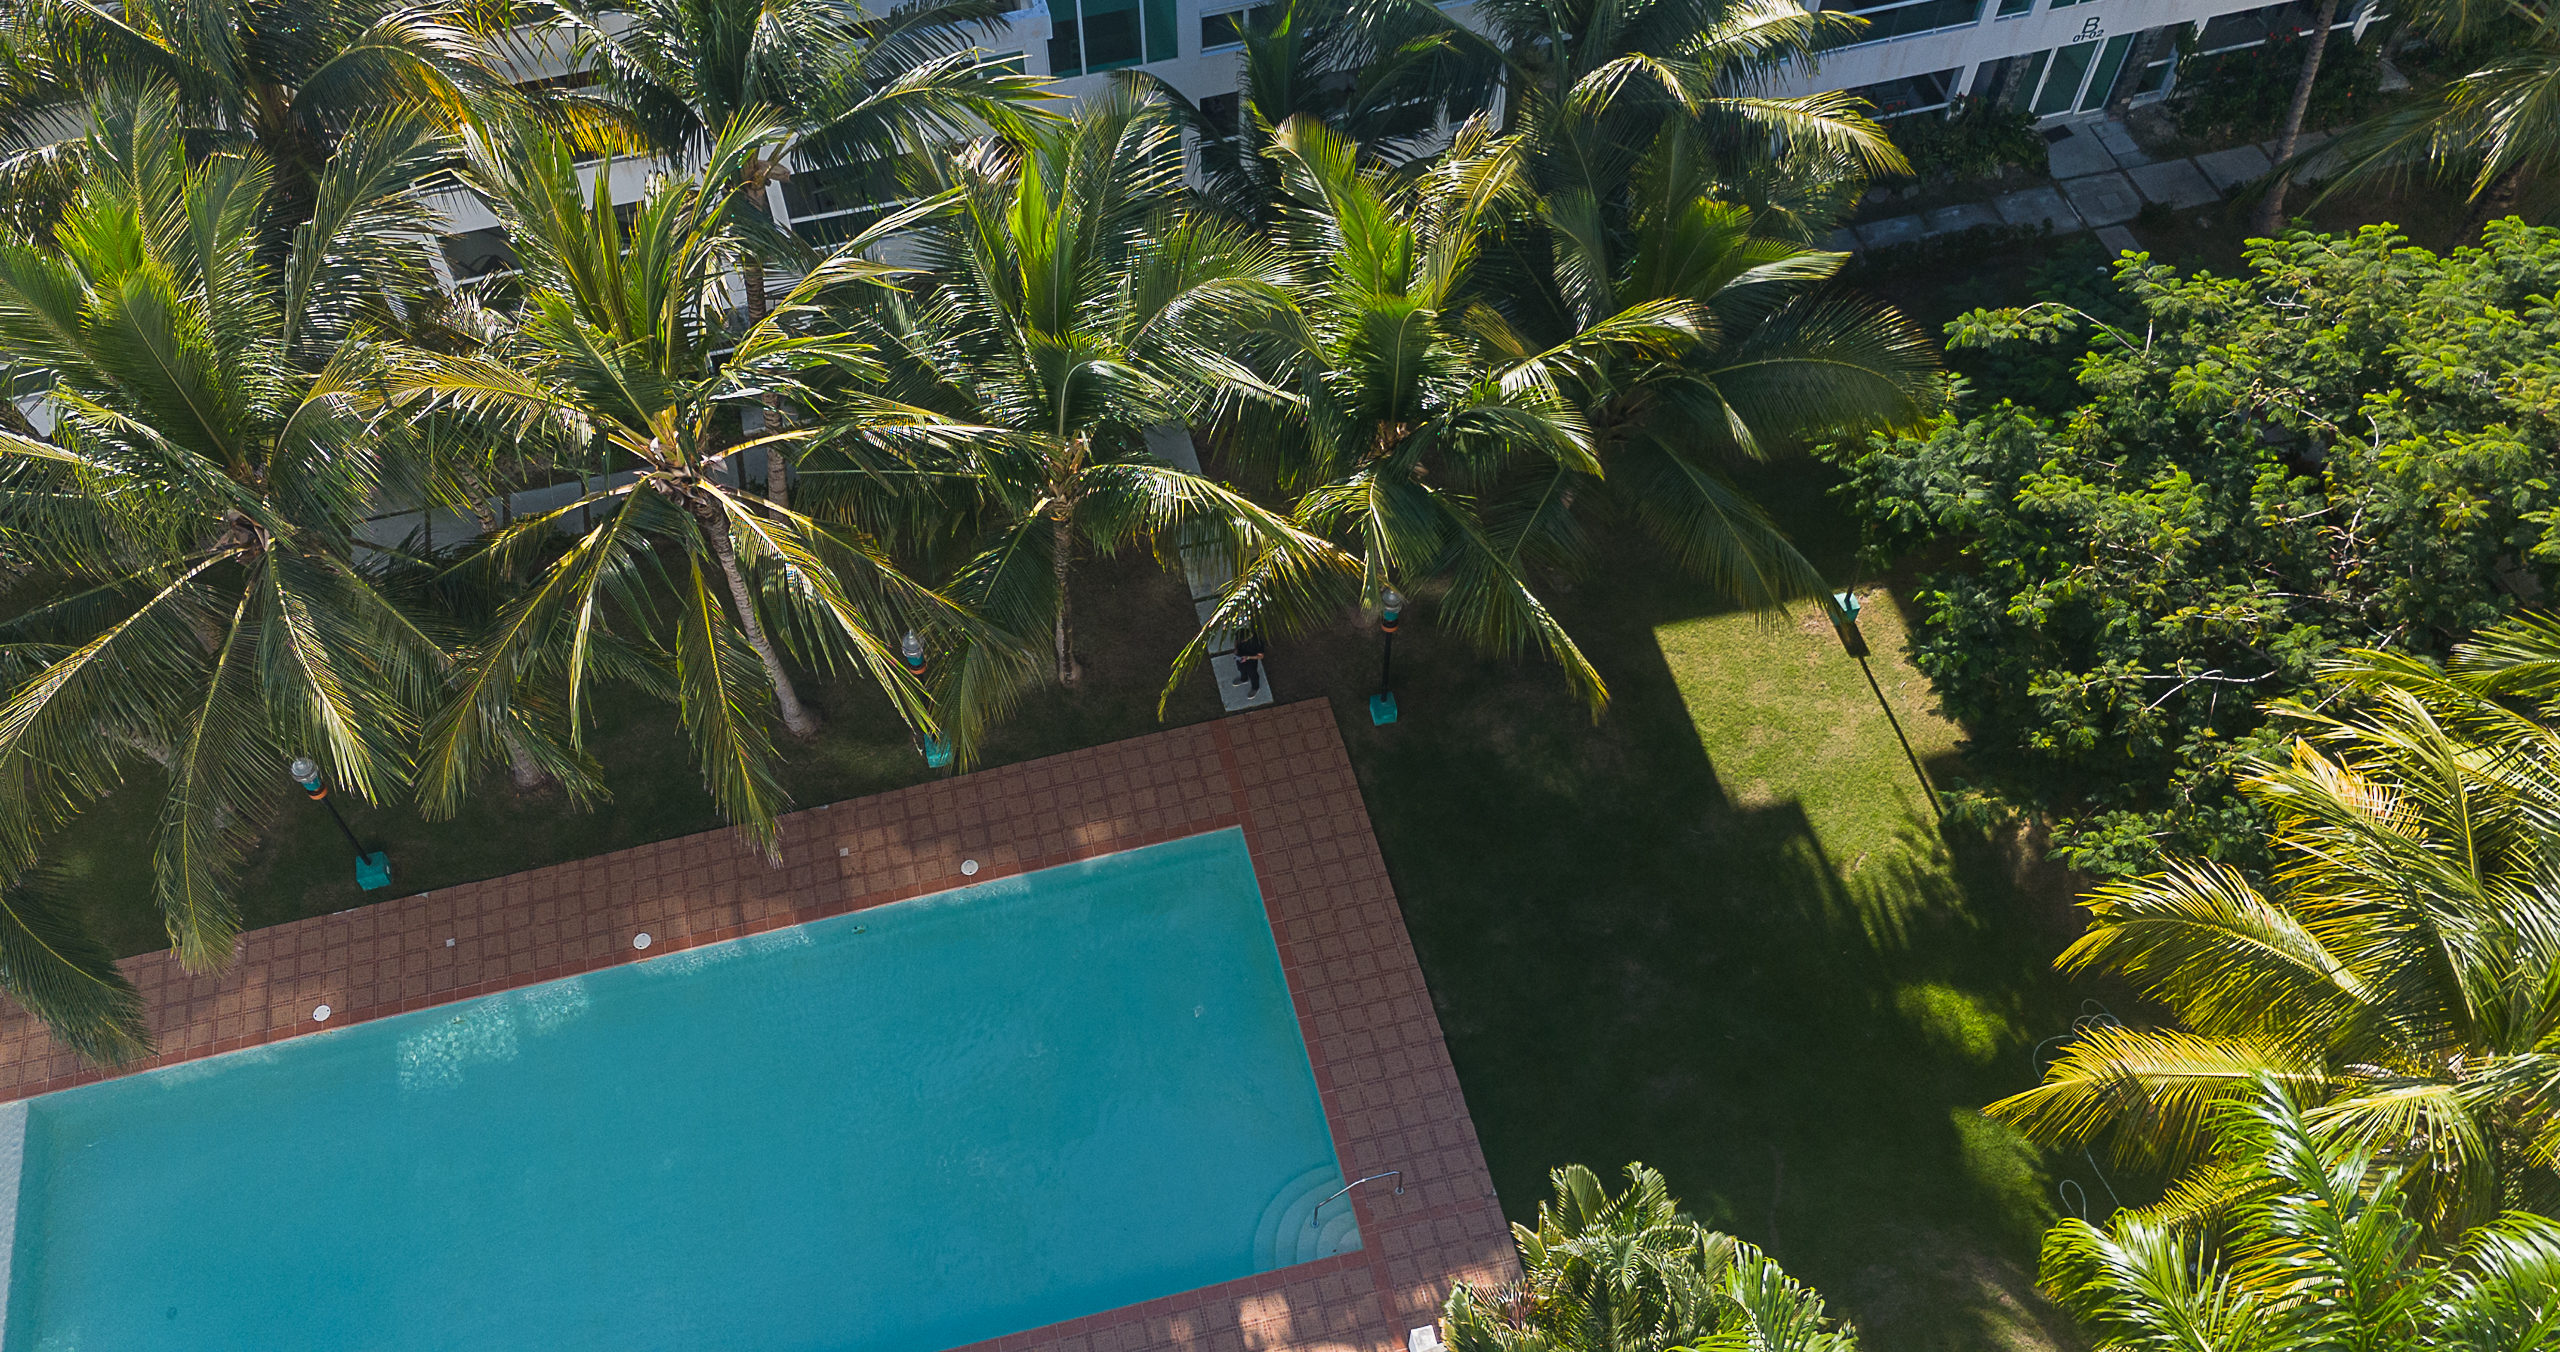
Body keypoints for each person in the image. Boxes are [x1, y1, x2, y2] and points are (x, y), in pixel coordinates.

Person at [1232, 628, 1267, 694]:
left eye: (1243, 640)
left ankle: (1255, 687)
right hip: (1240, 656)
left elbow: (1261, 656)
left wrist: (1248, 657)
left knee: (1253, 674)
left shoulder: (1257, 642)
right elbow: (1236, 640)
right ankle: (1244, 679)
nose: (1241, 641)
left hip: (1251, 661)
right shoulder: (1240, 634)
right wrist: (1236, 649)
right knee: (1241, 669)